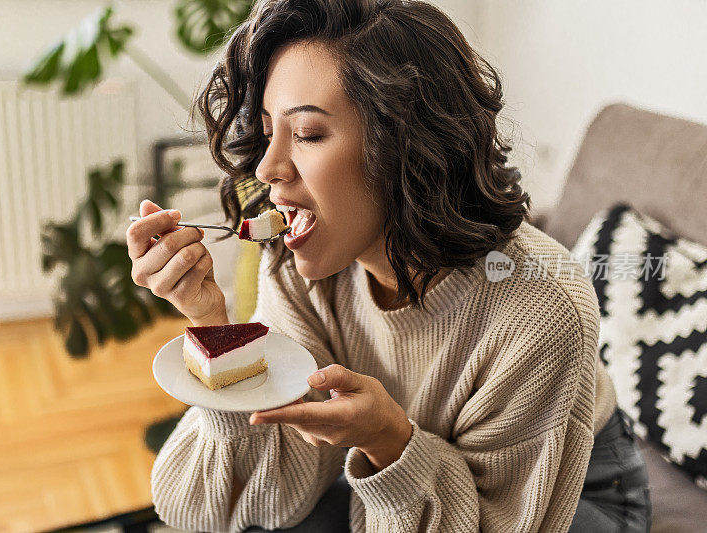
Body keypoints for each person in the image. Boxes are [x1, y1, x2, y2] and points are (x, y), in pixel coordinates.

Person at [126, 0, 651, 531]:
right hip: (408, 464)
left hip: (568, 489)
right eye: (267, 131)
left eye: (307, 134)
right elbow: (249, 501)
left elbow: (503, 519)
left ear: (405, 146)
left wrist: (388, 440)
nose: (266, 168)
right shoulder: (298, 264)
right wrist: (216, 331)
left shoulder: (541, 308)